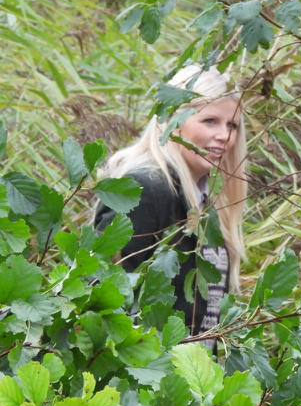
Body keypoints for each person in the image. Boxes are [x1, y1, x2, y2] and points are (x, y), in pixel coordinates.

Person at [94, 65, 248, 346]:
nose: (225, 135)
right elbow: (101, 296)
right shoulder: (145, 190)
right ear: (173, 120)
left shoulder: (206, 203)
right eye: (210, 121)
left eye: (232, 125)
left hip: (193, 381)